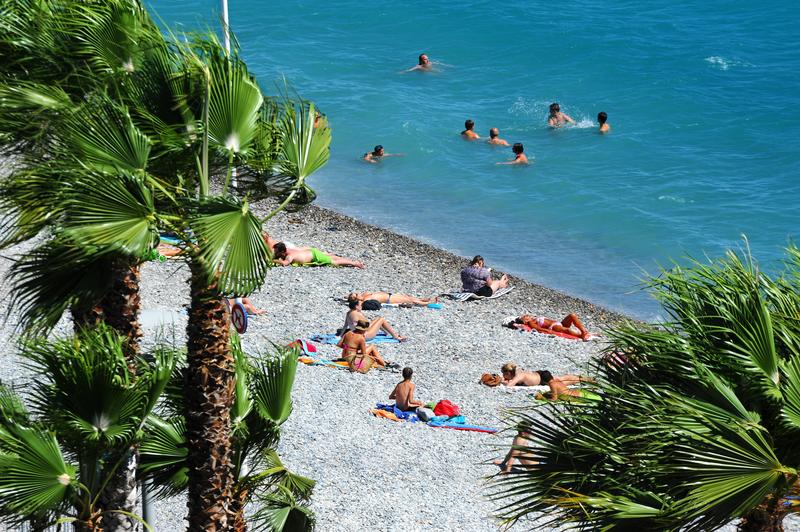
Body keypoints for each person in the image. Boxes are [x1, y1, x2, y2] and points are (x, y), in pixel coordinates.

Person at [272, 242, 364, 269]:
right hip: (311, 251)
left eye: (277, 252)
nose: (276, 253)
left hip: (314, 256)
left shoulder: (289, 256)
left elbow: (285, 263)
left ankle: (355, 263)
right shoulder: (289, 248)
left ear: (282, 252)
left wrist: (273, 261)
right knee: (331, 257)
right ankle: (349, 260)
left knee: (334, 262)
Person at [511, 313, 592, 341]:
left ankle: (583, 331)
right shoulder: (531, 323)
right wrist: (551, 332)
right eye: (524, 316)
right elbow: (539, 329)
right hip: (553, 327)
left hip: (559, 323)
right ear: (525, 321)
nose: (526, 315)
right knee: (567, 330)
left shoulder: (534, 319)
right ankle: (581, 336)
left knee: (572, 316)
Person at [500, 364, 585, 387]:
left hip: (542, 379)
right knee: (560, 378)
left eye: (504, 374)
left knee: (561, 383)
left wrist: (501, 382)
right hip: (540, 374)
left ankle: (581, 380)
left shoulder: (519, 376)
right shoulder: (518, 371)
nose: (504, 377)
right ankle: (581, 378)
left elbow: (509, 385)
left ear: (508, 373)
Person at [347, 291, 439, 307]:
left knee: (409, 297)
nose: (357, 293)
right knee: (411, 301)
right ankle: (429, 303)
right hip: (389, 300)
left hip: (389, 295)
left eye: (356, 293)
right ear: (357, 299)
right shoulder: (364, 300)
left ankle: (424, 300)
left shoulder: (364, 294)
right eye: (356, 295)